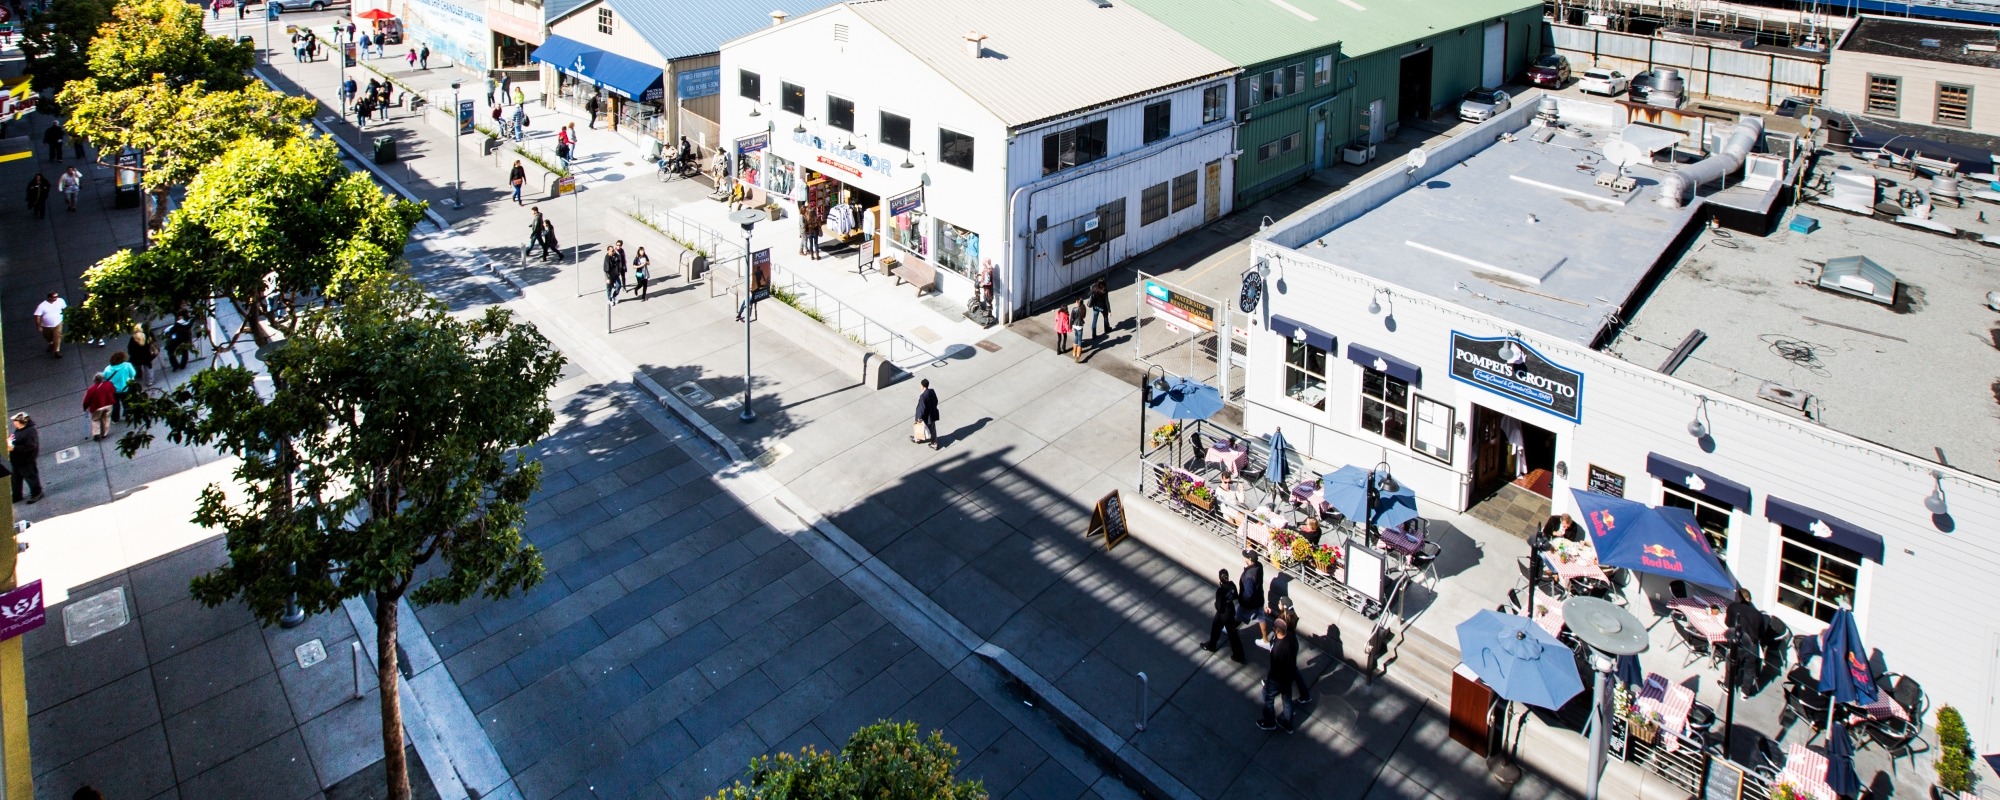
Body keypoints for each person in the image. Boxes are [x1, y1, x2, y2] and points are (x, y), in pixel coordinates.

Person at [1258, 619, 1299, 733]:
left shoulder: (1278, 648)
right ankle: (1288, 724)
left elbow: (1274, 665)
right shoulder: (1291, 638)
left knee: (1268, 697)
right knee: (1287, 700)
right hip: (1289, 676)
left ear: (1277, 630)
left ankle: (1269, 722)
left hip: (1277, 678)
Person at [1200, 568, 1246, 663]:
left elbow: (1219, 607)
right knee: (1230, 633)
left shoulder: (1220, 591)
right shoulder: (1232, 585)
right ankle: (1238, 655)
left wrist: (1216, 604)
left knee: (1218, 629)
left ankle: (1212, 645)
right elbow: (1236, 596)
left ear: (1220, 579)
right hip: (1230, 611)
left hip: (1223, 614)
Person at [1725, 588, 1764, 691]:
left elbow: (1728, 623)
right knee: (1750, 669)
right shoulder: (1759, 615)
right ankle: (1745, 692)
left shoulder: (1733, 607)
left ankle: (1728, 686)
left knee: (1732, 663)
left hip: (1739, 642)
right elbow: (1761, 633)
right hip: (1753, 645)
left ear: (1739, 597)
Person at [9, 413, 41, 504]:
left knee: (30, 477)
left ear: (22, 422)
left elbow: (30, 446)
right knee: (15, 479)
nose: (14, 422)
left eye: (15, 421)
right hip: (17, 460)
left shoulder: (30, 431)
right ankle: (17, 495)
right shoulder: (19, 430)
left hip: (26, 460)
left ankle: (37, 493)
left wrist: (14, 448)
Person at [102, 352, 136, 422]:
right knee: (127, 403)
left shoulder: (108, 369)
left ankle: (115, 419)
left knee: (115, 405)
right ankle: (128, 416)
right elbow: (133, 373)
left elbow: (104, 377)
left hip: (113, 390)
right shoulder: (127, 365)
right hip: (125, 388)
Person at [83, 374, 117, 441]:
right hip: (108, 404)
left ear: (95, 380)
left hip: (97, 407)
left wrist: (85, 407)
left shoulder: (91, 390)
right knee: (106, 418)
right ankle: (104, 433)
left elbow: (86, 400)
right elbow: (113, 391)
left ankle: (96, 433)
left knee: (95, 420)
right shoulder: (109, 384)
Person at [1236, 550, 1265, 629]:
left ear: (1250, 560)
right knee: (1261, 619)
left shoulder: (1249, 576)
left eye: (1246, 557)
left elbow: (1248, 594)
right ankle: (1265, 640)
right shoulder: (1259, 565)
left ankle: (1230, 629)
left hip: (1249, 603)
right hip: (1259, 598)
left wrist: (1242, 601)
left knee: (1239, 615)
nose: (1245, 558)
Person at [33, 291, 65, 357]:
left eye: (57, 296)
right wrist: (39, 326)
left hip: (58, 323)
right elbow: (37, 316)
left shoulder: (60, 301)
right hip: (46, 326)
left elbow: (64, 309)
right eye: (54, 297)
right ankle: (51, 343)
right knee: (48, 337)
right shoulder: (42, 306)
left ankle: (56, 351)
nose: (56, 298)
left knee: (57, 336)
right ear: (49, 298)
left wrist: (64, 318)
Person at [913, 378, 940, 449]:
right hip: (932, 414)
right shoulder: (932, 391)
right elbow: (936, 400)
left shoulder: (923, 396)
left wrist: (919, 417)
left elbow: (922, 407)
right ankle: (934, 443)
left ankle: (918, 439)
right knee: (933, 429)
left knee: (919, 427)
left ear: (922, 386)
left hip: (925, 416)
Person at [1070, 296, 1088, 361]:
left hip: (1075, 325)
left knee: (1076, 336)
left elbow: (1072, 318)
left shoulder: (1074, 309)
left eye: (1076, 301)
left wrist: (1070, 325)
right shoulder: (1083, 308)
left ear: (1077, 302)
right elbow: (1084, 316)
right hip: (1080, 325)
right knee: (1080, 339)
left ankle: (1074, 352)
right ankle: (1078, 354)